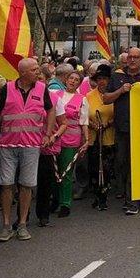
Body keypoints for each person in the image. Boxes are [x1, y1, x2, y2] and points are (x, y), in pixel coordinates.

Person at [0, 58, 56, 242]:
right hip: (8, 144)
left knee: (27, 185)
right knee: (6, 184)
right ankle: (6, 226)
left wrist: (48, 133)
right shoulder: (8, 88)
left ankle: (21, 224)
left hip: (31, 145)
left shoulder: (42, 89)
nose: (38, 72)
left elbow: (50, 110)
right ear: (23, 73)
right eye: (34, 69)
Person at [101, 48, 140, 215]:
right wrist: (120, 91)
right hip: (122, 127)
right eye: (130, 57)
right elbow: (105, 98)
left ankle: (133, 200)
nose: (132, 60)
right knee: (122, 162)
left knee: (135, 163)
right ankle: (125, 193)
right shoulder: (117, 76)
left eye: (136, 57)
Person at [51, 68, 89, 219]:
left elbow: (84, 121)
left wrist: (86, 140)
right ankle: (55, 199)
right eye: (70, 78)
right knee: (54, 172)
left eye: (76, 80)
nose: (72, 81)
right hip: (55, 137)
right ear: (65, 80)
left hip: (71, 139)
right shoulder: (55, 95)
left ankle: (65, 203)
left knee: (66, 172)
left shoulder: (82, 99)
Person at [86, 65, 116, 212]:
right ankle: (97, 195)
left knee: (106, 169)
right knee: (93, 168)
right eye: (99, 79)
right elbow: (84, 115)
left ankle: (103, 197)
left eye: (104, 78)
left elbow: (119, 114)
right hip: (93, 138)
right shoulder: (89, 96)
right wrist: (92, 125)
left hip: (109, 138)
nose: (102, 81)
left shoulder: (114, 95)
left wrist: (108, 124)